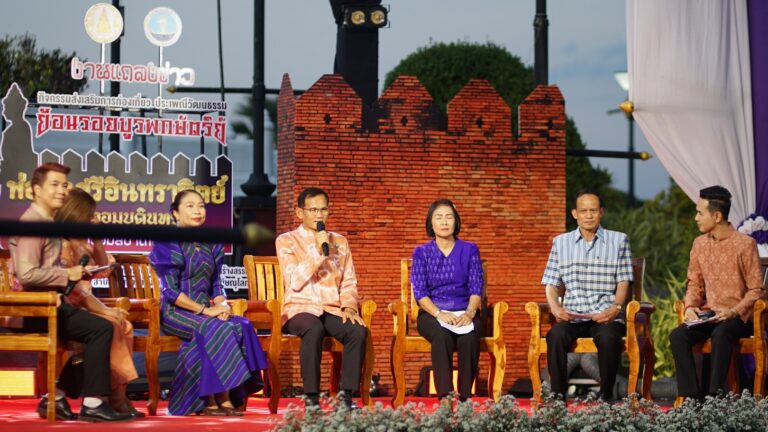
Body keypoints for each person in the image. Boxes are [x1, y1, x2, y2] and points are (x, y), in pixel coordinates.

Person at [9, 162, 133, 422]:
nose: (61, 191)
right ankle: (94, 402)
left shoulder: (47, 224)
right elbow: (26, 274)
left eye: (64, 185)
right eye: (54, 185)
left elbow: (98, 270)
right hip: (33, 308)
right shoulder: (33, 224)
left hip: (50, 304)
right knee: (102, 328)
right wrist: (68, 274)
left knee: (102, 328)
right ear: (36, 189)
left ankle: (58, 395)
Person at [150, 189, 267, 416]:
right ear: (175, 213)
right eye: (190, 206)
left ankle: (230, 394)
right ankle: (215, 398)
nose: (197, 211)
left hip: (207, 309)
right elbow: (171, 293)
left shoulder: (211, 242)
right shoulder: (166, 243)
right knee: (214, 328)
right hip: (176, 311)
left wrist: (222, 306)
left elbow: (216, 284)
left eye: (201, 206)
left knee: (240, 324)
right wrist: (207, 311)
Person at [275, 187, 367, 409]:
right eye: (313, 210)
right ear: (299, 212)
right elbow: (295, 280)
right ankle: (312, 398)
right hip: (299, 308)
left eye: (323, 210)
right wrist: (316, 250)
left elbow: (348, 280)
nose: (319, 215)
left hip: (332, 309)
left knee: (357, 330)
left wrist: (349, 307)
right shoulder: (287, 241)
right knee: (313, 328)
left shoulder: (340, 242)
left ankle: (346, 396)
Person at [669, 186, 765, 400]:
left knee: (721, 334)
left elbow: (756, 289)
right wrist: (691, 307)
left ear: (717, 215)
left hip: (739, 317)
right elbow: (694, 283)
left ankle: (715, 397)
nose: (696, 218)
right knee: (678, 335)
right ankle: (691, 399)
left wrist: (734, 311)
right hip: (709, 316)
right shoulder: (699, 244)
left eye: (700, 213)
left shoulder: (745, 244)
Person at [54, 188, 142, 417]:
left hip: (82, 307)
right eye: (90, 215)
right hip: (66, 308)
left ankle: (61, 394)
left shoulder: (83, 243)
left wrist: (99, 239)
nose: (93, 218)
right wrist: (106, 311)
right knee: (111, 327)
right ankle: (115, 398)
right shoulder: (62, 244)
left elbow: (104, 270)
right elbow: (75, 292)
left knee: (123, 326)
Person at [541, 189, 633, 402]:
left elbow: (623, 282)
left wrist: (616, 308)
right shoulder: (560, 242)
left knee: (609, 337)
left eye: (593, 210)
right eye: (584, 211)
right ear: (575, 213)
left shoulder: (619, 241)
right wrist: (555, 307)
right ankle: (557, 394)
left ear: (601, 212)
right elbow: (552, 284)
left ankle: (606, 394)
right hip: (573, 315)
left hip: (606, 315)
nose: (589, 215)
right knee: (555, 336)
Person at [410, 198, 482, 402]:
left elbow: (476, 286)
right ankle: (446, 397)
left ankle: (466, 398)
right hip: (432, 313)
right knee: (442, 335)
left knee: (469, 337)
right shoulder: (422, 252)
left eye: (449, 217)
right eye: (438, 217)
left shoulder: (469, 250)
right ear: (430, 223)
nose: (444, 222)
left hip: (465, 311)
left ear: (456, 221)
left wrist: (469, 313)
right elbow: (420, 292)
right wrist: (439, 314)